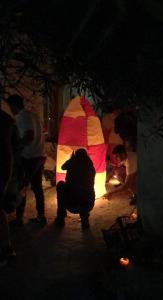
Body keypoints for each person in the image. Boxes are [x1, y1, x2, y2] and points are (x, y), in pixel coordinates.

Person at [6, 94, 46, 225]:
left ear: (14, 105)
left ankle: (18, 219)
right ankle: (41, 216)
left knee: (21, 186)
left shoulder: (21, 117)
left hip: (29, 157)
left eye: (10, 107)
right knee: (37, 188)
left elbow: (29, 136)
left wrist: (17, 147)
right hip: (39, 155)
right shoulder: (33, 115)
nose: (10, 110)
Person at [55, 148, 96, 229]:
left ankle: (61, 217)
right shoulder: (91, 167)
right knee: (86, 190)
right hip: (88, 204)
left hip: (71, 203)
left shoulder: (72, 163)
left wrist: (71, 159)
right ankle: (85, 218)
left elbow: (63, 167)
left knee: (60, 184)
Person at [0, 107, 16, 265]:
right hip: (6, 166)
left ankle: (5, 249)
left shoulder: (4, 119)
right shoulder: (7, 119)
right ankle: (6, 247)